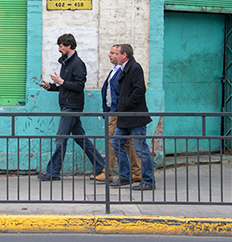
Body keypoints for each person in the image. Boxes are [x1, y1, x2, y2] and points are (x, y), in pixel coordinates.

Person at [38, 33, 105, 181]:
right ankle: (102, 166)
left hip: (72, 107)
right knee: (81, 138)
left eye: (61, 46)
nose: (59, 49)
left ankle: (52, 172)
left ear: (69, 46)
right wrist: (51, 86)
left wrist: (61, 82)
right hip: (68, 105)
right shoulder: (66, 63)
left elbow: (79, 86)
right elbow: (66, 86)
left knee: (61, 139)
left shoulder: (77, 64)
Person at [92, 44, 142, 183]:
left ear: (122, 55)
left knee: (113, 141)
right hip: (113, 110)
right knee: (126, 142)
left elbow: (129, 91)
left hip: (117, 111)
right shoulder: (115, 70)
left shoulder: (124, 70)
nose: (110, 55)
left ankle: (107, 173)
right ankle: (136, 172)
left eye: (113, 53)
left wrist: (121, 107)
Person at [110, 44, 156, 190]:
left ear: (124, 55)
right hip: (125, 116)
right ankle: (125, 176)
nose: (114, 56)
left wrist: (126, 105)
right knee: (117, 143)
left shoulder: (134, 68)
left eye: (117, 54)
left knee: (141, 148)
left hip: (135, 116)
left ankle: (148, 181)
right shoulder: (124, 69)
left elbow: (139, 90)